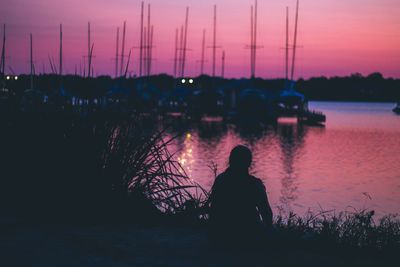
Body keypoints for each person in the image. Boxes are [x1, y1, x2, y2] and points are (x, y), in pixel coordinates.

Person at [208, 145, 273, 247]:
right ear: (249, 163)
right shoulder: (255, 184)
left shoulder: (220, 180)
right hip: (249, 234)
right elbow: (266, 213)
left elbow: (213, 210)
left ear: (230, 161)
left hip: (221, 233)